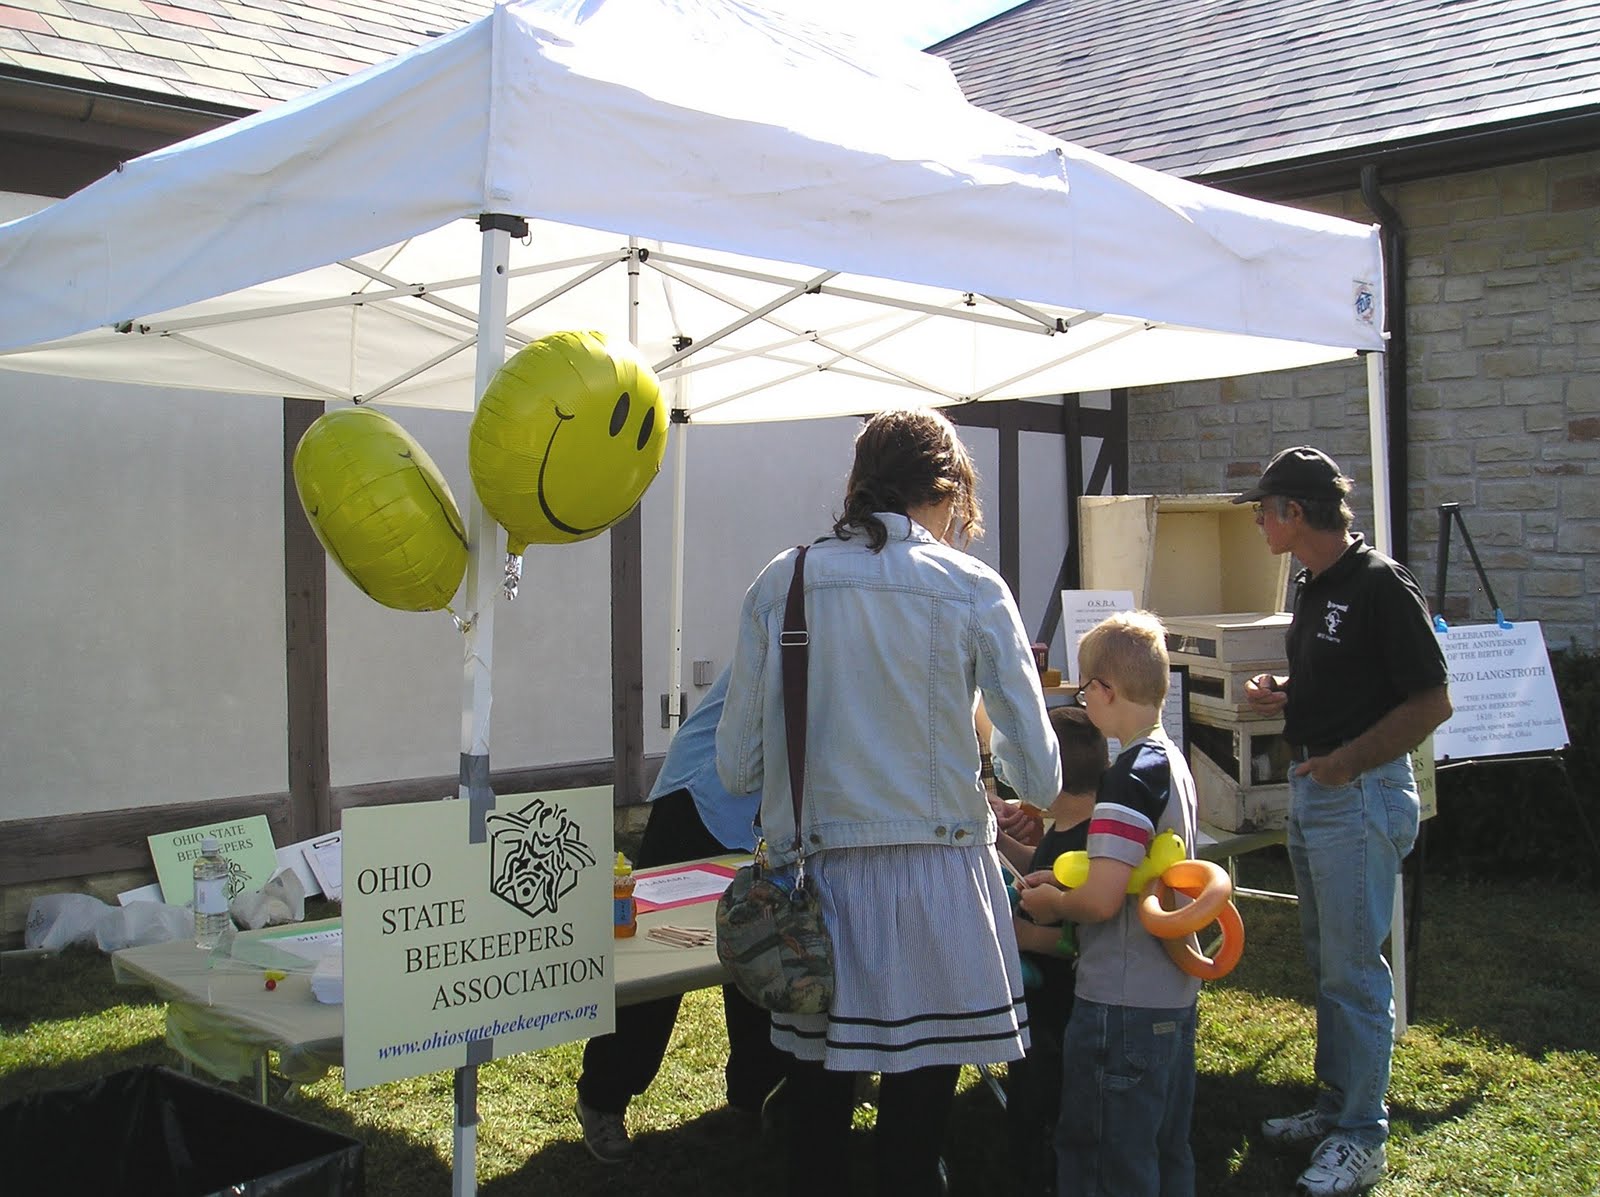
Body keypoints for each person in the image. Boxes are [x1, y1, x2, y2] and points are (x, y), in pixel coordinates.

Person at [717, 407, 1062, 1197]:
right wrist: (985, 753)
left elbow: (736, 767)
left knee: (816, 1130)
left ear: (859, 484)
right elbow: (1041, 775)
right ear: (947, 490)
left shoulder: (786, 579)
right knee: (914, 1139)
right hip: (939, 889)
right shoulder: (972, 585)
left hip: (817, 893)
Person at [1234, 446, 1451, 1196]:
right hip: (1320, 789)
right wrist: (1287, 693)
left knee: (1355, 970)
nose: (1259, 520)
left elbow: (1431, 702)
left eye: (1264, 509)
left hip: (1356, 794)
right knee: (1331, 957)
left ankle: (1363, 1134)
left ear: (1295, 513)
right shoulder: (1314, 582)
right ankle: (1336, 1106)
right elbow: (1349, 676)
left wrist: (1345, 761)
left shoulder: (1380, 584)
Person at [1017, 610, 1201, 1197]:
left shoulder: (1126, 777)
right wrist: (1063, 877)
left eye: (1082, 688)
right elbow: (1128, 876)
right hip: (1170, 995)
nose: (1082, 700)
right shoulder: (1172, 762)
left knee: (1102, 1159)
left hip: (1119, 1001)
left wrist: (1052, 904)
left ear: (1105, 690)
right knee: (1164, 1151)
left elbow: (1098, 904)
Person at [573, 665, 786, 1164]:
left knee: (762, 947)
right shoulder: (787, 608)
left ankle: (756, 1095)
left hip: (763, 816)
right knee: (654, 956)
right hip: (702, 797)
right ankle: (603, 1096)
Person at [996, 704, 1106, 1196]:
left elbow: (1081, 939)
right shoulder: (1068, 827)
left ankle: (1041, 1171)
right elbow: (1037, 864)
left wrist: (1020, 937)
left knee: (1046, 1096)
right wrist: (995, 838)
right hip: (1047, 1002)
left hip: (1065, 1009)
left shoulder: (1087, 846)